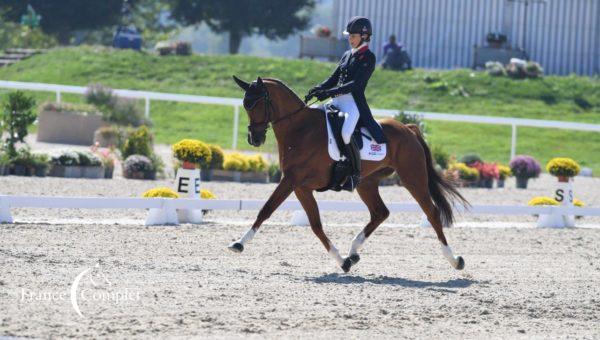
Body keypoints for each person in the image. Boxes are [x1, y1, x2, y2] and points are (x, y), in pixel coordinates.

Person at [305, 16, 387, 191]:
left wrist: (330, 92)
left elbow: (355, 84)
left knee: (345, 133)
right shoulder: (347, 55)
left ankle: (354, 174)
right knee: (313, 117)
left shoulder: (368, 58)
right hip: (336, 101)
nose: (350, 38)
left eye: (354, 36)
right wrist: (318, 88)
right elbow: (334, 78)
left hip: (353, 103)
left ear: (364, 36)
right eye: (349, 35)